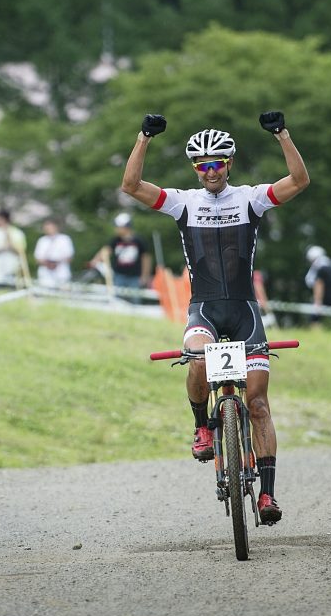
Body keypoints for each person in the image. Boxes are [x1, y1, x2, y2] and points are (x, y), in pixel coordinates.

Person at [120, 110, 309, 524]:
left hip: (244, 311)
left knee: (258, 404)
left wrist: (281, 135)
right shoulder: (183, 203)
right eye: (203, 165)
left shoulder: (250, 198)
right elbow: (131, 186)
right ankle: (203, 426)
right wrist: (143, 138)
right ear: (195, 169)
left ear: (229, 164)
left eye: (217, 163)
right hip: (204, 308)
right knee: (198, 358)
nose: (210, 171)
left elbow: (298, 181)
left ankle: (267, 495)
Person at [89, 213, 152, 303]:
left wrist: (145, 276)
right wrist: (95, 261)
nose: (115, 229)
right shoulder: (116, 240)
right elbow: (105, 251)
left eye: (117, 226)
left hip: (134, 277)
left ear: (125, 227)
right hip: (119, 276)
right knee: (117, 300)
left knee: (134, 301)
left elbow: (146, 259)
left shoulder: (139, 241)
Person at [304, 245, 331, 329]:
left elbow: (319, 285)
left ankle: (317, 337)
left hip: (324, 298)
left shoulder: (320, 269)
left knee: (314, 320)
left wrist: (317, 301)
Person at [0, 209, 26, 288]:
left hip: (13, 270)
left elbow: (21, 251)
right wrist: (2, 247)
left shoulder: (18, 233)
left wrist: (10, 243)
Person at [33, 218, 74, 288]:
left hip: (61, 273)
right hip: (45, 274)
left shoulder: (64, 239)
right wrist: (48, 263)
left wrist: (56, 263)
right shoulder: (42, 241)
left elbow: (69, 257)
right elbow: (38, 258)